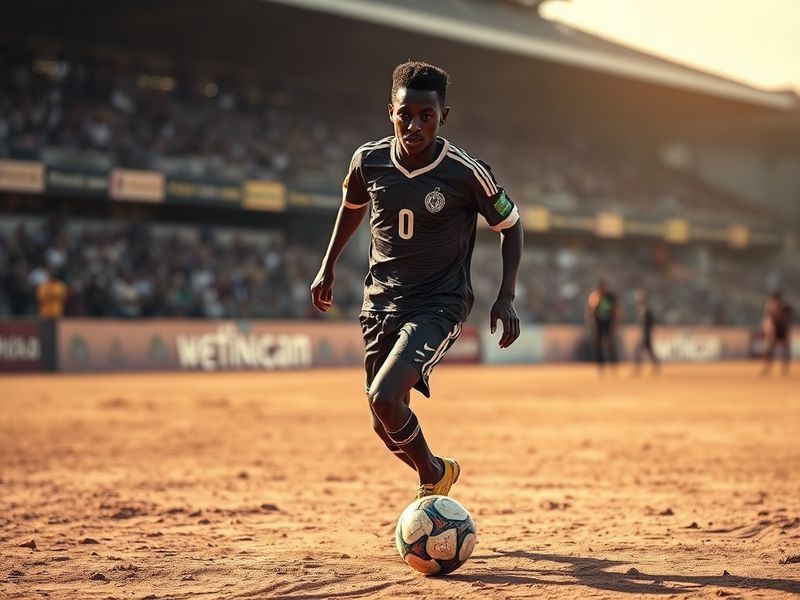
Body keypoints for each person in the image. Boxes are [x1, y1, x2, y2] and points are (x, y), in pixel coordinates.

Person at [310, 61, 522, 500]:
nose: (414, 124)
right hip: (380, 304)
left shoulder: (466, 172)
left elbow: (512, 226)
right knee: (382, 419)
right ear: (391, 111)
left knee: (386, 399)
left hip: (438, 305)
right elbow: (352, 210)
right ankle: (439, 470)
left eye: (426, 115)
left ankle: (431, 479)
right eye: (405, 114)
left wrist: (506, 296)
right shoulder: (367, 161)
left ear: (443, 116)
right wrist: (327, 265)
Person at [586, 279, 619, 372]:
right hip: (598, 324)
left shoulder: (611, 297)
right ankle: (600, 365)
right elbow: (590, 309)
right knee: (598, 345)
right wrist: (590, 321)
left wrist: (615, 322)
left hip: (608, 323)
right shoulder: (595, 296)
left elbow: (616, 310)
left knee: (610, 344)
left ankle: (613, 364)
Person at [760, 290, 792, 376]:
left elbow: (787, 320)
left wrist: (786, 331)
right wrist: (768, 331)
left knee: (785, 350)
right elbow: (768, 320)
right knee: (770, 349)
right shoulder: (769, 307)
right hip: (773, 330)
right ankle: (767, 368)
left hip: (782, 329)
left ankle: (784, 368)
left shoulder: (784, 307)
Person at [632, 288, 659, 375]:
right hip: (644, 334)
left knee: (638, 352)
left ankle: (638, 369)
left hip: (645, 335)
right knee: (648, 352)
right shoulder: (642, 310)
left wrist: (646, 334)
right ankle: (654, 366)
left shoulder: (646, 311)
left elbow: (649, 323)